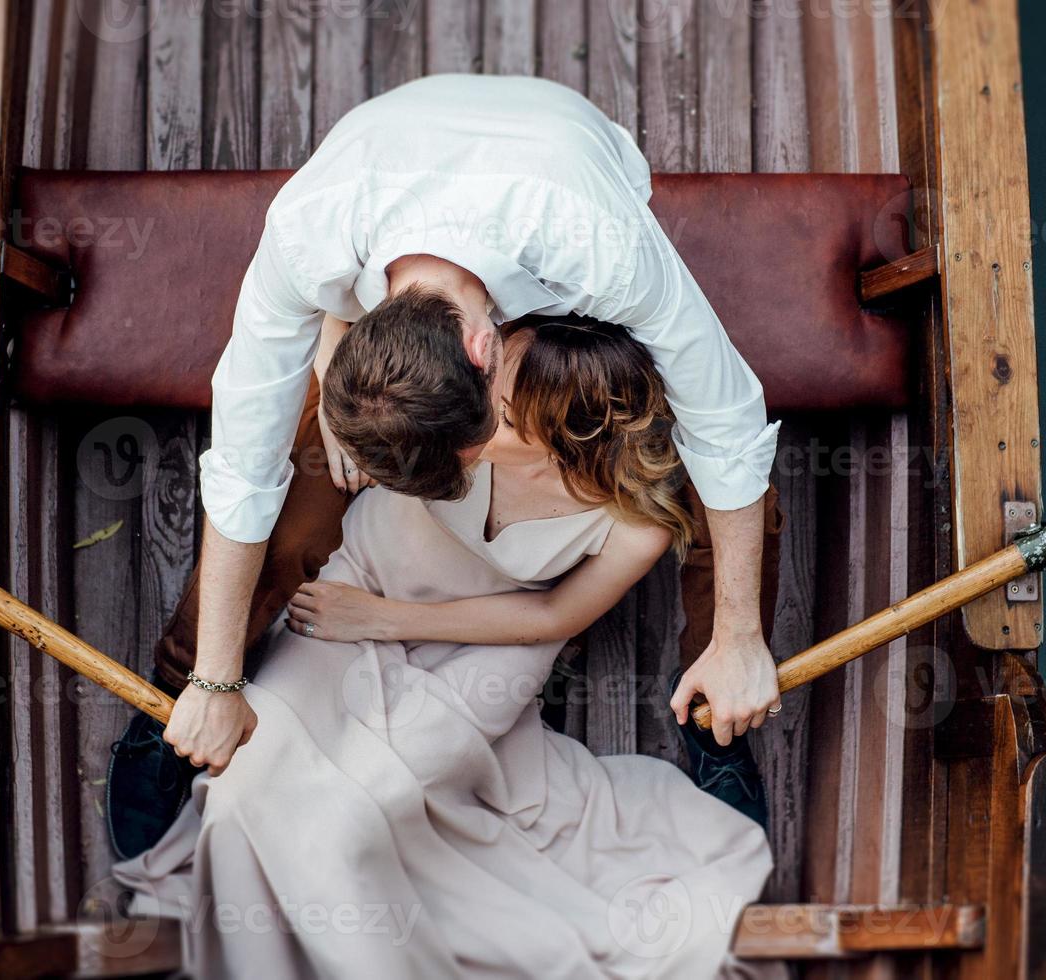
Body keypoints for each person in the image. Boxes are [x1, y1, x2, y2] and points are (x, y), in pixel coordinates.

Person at [107, 73, 785, 858]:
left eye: (478, 449)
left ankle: (720, 706)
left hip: (560, 181)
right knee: (292, 476)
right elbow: (240, 471)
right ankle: (172, 688)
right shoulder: (306, 240)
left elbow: (729, 421)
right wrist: (217, 681)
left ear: (488, 352)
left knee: (726, 488)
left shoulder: (600, 250)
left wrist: (741, 630)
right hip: (387, 181)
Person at [113, 319, 778, 979]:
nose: (473, 413)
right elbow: (331, 302)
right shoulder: (455, 384)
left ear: (562, 445)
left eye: (507, 420)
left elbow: (552, 613)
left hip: (489, 643)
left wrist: (385, 620)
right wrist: (339, 396)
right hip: (357, 583)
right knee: (244, 785)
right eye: (486, 388)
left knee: (363, 815)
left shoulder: (634, 521)